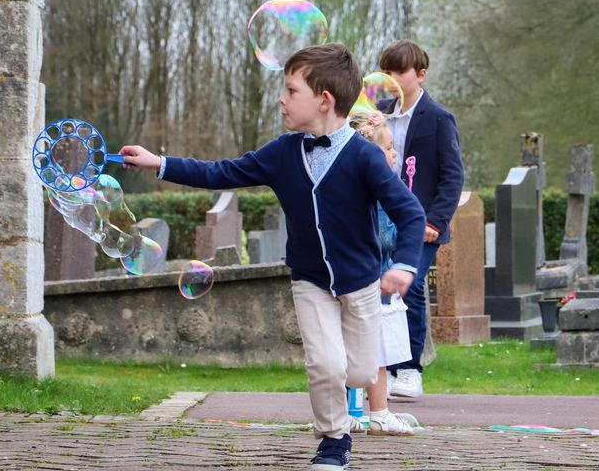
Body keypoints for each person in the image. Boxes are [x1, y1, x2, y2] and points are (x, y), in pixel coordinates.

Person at [119, 43, 426, 470]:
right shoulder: (282, 153)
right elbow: (221, 171)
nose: (281, 99)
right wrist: (160, 163)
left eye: (290, 91)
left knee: (356, 372)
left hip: (361, 281)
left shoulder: (365, 156)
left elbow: (410, 212)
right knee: (324, 363)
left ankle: (351, 399)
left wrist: (405, 265)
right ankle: (334, 442)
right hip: (309, 281)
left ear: (323, 100)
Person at [378, 39, 465, 398]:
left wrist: (435, 221)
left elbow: (452, 176)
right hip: (383, 219)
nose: (392, 78)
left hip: (422, 223)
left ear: (421, 74)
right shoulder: (377, 112)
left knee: (409, 286)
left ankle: (410, 370)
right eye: (387, 72)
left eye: (400, 71)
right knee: (379, 289)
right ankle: (384, 368)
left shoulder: (439, 118)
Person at [348, 110, 415, 435]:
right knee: (366, 354)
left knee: (373, 354)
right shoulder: (378, 194)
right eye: (389, 148)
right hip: (372, 281)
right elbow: (385, 237)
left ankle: (368, 412)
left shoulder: (382, 190)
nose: (394, 154)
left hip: (376, 279)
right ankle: (365, 412)